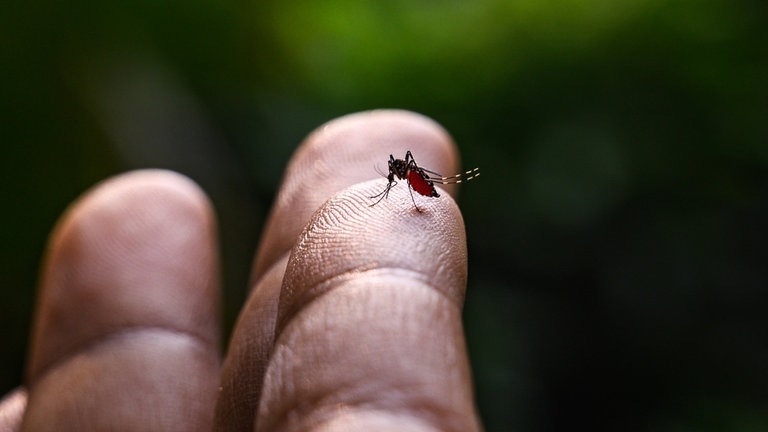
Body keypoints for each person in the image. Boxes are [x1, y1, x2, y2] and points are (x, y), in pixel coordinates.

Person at [0, 110, 481, 431]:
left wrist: (414, 186)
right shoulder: (396, 171)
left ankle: (440, 185)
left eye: (399, 171)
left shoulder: (406, 173)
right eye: (401, 171)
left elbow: (403, 173)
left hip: (422, 198)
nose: (397, 170)